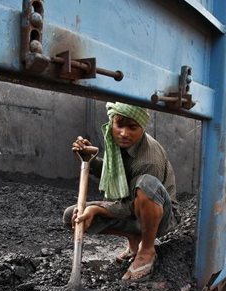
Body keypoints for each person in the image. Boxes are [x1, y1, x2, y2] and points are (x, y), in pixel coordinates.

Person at [63, 102, 179, 281]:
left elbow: (137, 201)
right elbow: (115, 173)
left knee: (146, 184)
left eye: (132, 127)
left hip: (162, 217)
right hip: (134, 209)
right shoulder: (117, 143)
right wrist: (89, 161)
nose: (124, 133)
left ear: (142, 127)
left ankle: (147, 250)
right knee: (72, 215)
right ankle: (134, 238)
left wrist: (98, 209)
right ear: (112, 123)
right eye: (120, 125)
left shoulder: (148, 160)